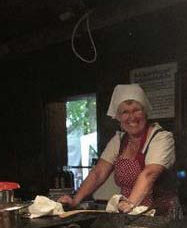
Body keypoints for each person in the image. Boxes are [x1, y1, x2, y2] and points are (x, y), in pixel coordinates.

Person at [58, 84, 180, 216]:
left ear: (145, 112)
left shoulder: (161, 138)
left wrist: (129, 204)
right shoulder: (119, 140)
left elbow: (149, 174)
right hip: (129, 213)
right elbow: (98, 173)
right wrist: (75, 200)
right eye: (125, 112)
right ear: (119, 118)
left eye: (136, 110)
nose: (132, 117)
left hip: (161, 214)